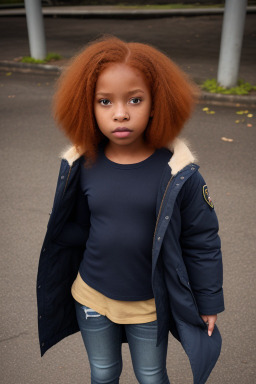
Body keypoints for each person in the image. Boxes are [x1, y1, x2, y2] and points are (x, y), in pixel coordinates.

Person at [36, 36, 224, 384]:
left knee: (152, 376)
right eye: (105, 101)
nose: (120, 113)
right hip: (91, 296)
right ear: (88, 106)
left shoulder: (178, 173)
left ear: (156, 103)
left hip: (149, 305)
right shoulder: (82, 165)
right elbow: (75, 226)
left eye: (135, 99)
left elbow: (202, 240)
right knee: (103, 373)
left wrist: (209, 301)